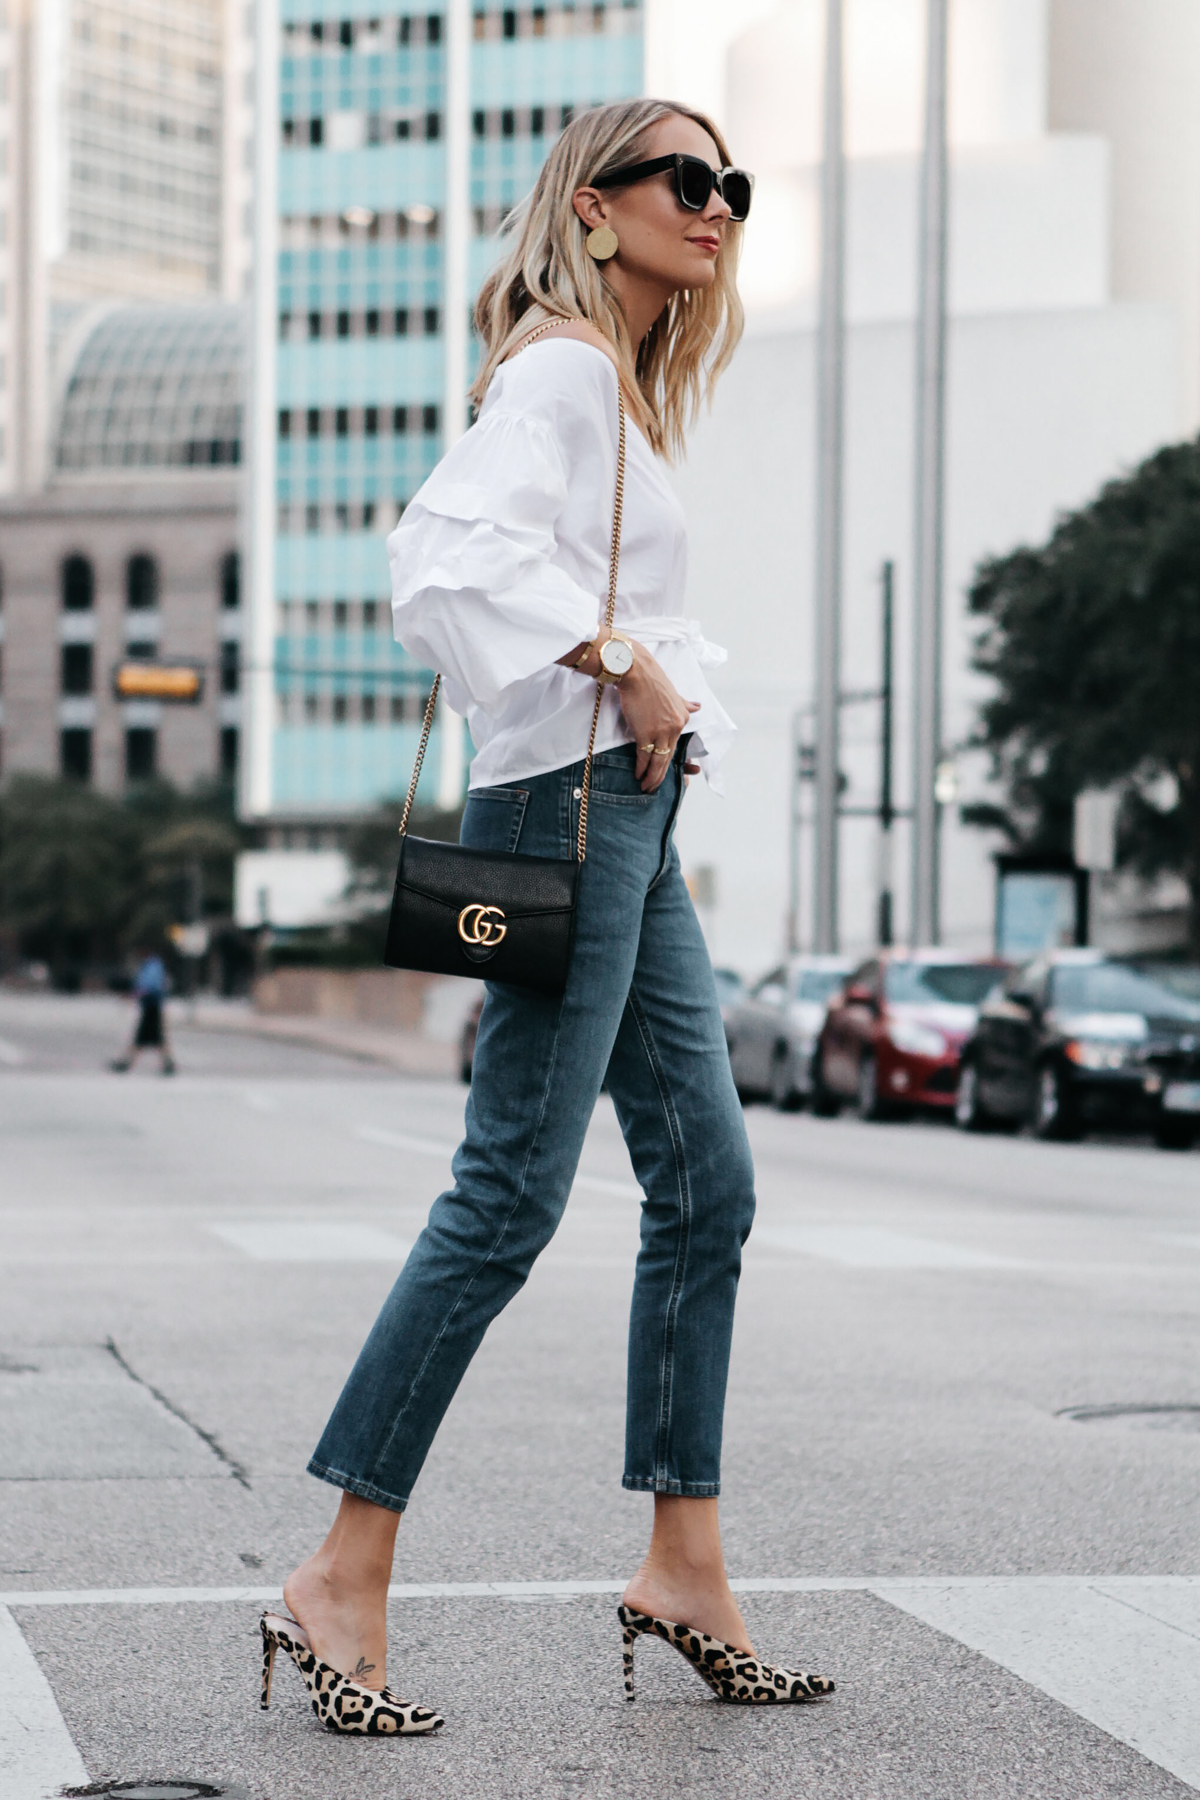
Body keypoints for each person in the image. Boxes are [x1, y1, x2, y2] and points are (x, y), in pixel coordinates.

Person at [259, 97, 834, 1737]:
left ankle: (684, 1565)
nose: (715, 206)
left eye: (731, 186)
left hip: (625, 809)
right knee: (508, 1191)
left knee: (707, 1184)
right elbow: (435, 558)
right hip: (572, 808)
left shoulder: (620, 386)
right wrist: (631, 667)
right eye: (683, 181)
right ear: (594, 204)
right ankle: (338, 1572)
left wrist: (656, 687)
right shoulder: (568, 369)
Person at [110, 950, 175, 1076]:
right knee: (154, 1038)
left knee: (145, 1037)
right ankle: (167, 1063)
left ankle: (126, 1062)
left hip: (151, 1006)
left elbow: (149, 986)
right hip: (152, 1006)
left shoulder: (152, 966)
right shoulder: (152, 965)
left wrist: (134, 995)